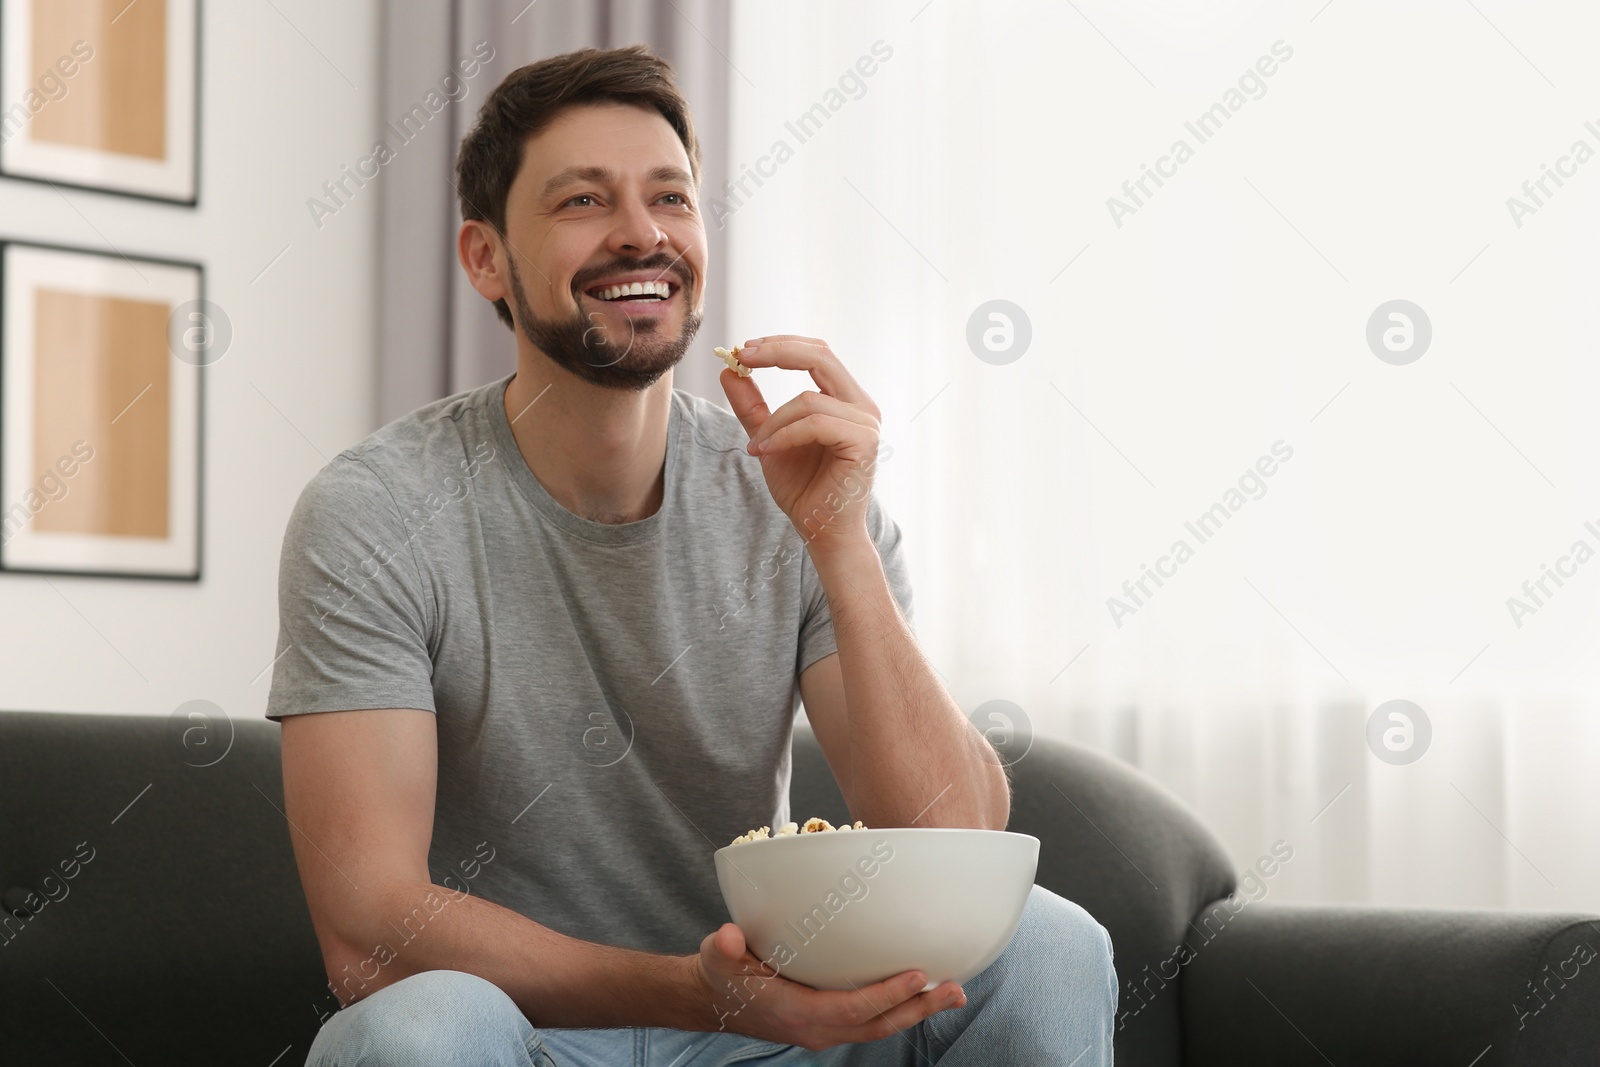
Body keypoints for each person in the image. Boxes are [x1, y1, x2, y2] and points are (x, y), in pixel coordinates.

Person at [267, 43, 1117, 1067]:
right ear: (485, 257)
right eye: (583, 200)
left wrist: (838, 544)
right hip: (526, 1033)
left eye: (670, 197)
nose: (641, 233)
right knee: (415, 1026)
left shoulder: (795, 490)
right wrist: (693, 990)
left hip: (778, 1027)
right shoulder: (378, 510)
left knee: (1050, 942)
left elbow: (960, 840)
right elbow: (370, 929)